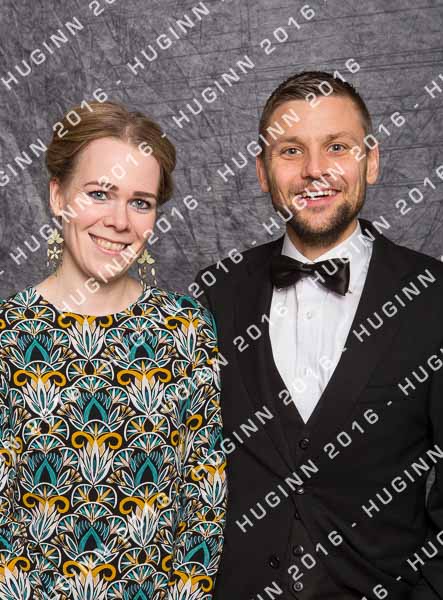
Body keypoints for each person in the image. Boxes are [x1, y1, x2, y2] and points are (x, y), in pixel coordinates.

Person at [195, 71, 443, 599]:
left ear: (370, 161)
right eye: (290, 150)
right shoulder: (216, 293)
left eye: (337, 146)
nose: (314, 169)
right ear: (262, 172)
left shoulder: (433, 297)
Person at [0, 101, 227, 600]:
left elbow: (203, 506)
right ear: (58, 195)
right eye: (99, 193)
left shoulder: (186, 329)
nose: (119, 221)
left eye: (140, 202)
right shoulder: (7, 335)